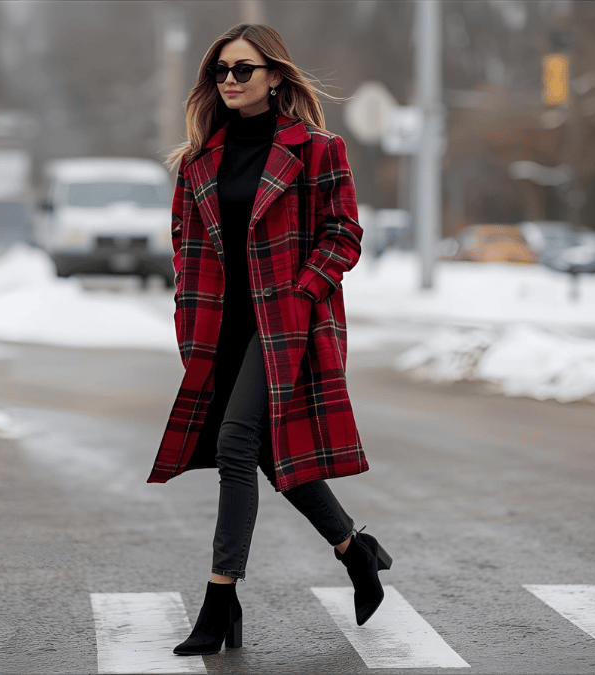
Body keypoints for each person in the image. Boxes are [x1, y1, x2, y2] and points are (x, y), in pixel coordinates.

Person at [146, 23, 392, 656]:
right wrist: (187, 311)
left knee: (234, 445)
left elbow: (344, 234)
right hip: (218, 325)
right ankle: (355, 551)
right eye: (222, 71)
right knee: (268, 456)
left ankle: (219, 596)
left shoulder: (316, 149)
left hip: (283, 324)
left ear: (276, 75)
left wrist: (302, 292)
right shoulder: (200, 160)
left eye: (243, 69)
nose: (230, 81)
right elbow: (185, 245)